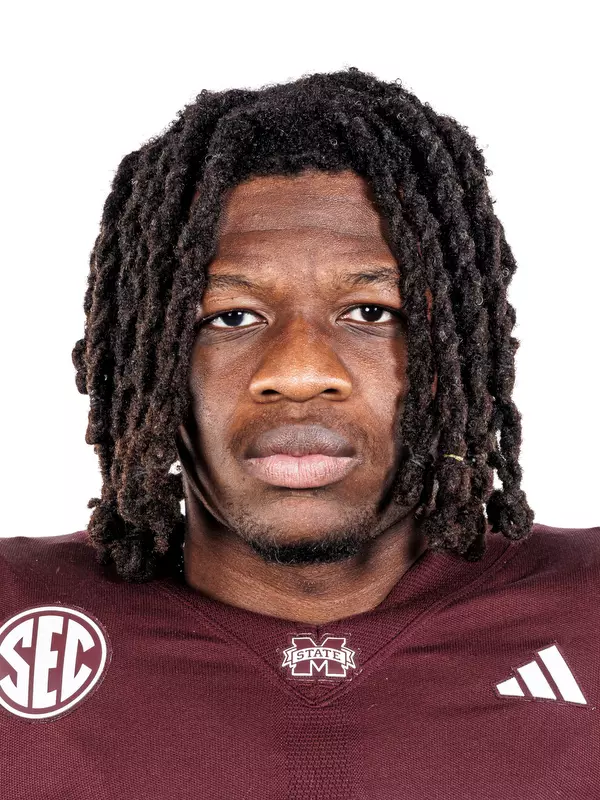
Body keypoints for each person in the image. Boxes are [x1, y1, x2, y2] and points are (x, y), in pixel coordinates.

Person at [1, 66, 598, 800]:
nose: (301, 371)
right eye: (231, 317)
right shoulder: (17, 615)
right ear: (149, 363)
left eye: (372, 312)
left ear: (456, 350)